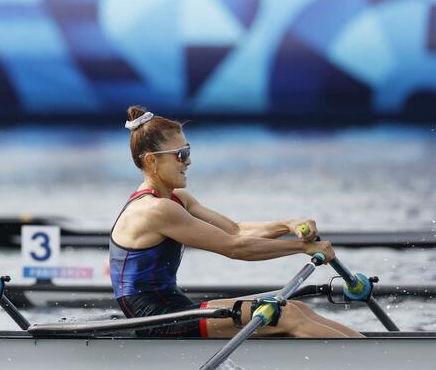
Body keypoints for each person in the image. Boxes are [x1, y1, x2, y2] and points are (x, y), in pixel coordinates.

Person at [110, 106, 361, 338]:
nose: (188, 161)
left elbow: (235, 229)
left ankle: (370, 351)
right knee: (289, 316)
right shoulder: (155, 210)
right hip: (154, 319)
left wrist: (289, 225)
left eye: (188, 151)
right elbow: (235, 247)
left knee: (297, 308)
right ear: (151, 160)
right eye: (180, 154)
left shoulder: (179, 200)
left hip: (175, 307)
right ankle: (376, 362)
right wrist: (304, 248)